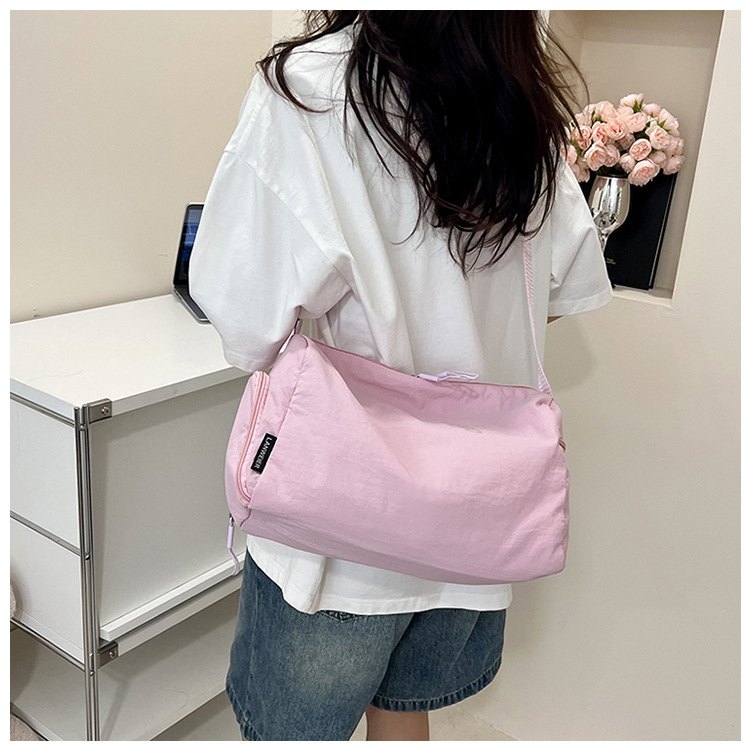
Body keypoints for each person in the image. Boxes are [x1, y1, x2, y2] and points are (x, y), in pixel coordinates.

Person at [189, 11, 612, 742]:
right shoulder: (523, 106)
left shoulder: (311, 89)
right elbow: (562, 288)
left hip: (337, 544)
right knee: (406, 717)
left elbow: (244, 320)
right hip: (471, 535)